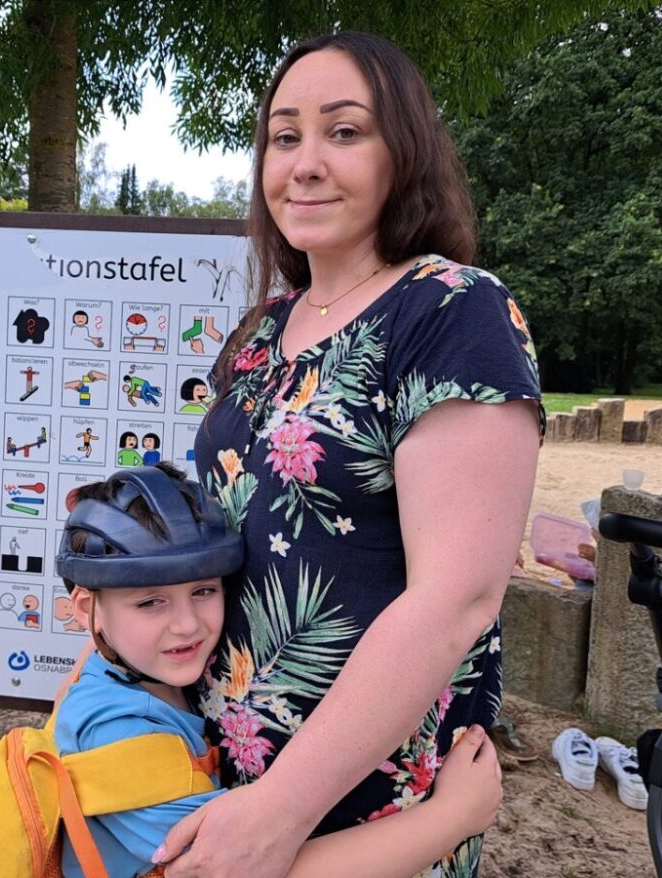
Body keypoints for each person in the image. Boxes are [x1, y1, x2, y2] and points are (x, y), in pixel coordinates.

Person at [160, 31, 543, 878]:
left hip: (367, 803)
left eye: (344, 131)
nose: (304, 162)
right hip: (213, 774)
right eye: (284, 135)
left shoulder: (449, 312)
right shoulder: (260, 333)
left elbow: (457, 597)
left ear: (403, 151)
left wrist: (278, 810)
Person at [55, 464, 503, 878]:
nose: (187, 624)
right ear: (85, 607)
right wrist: (454, 817)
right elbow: (244, 869)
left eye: (204, 589)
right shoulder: (121, 733)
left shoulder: (124, 677)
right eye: (151, 601)